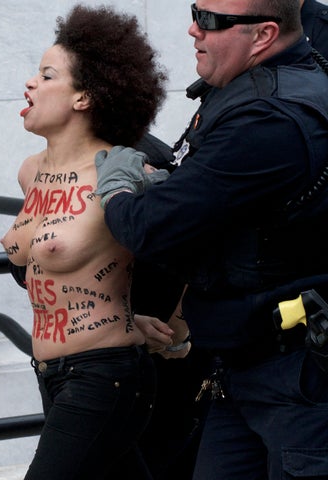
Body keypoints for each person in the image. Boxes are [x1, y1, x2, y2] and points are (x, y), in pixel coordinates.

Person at [95, 0, 328, 478]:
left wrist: (116, 188)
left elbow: (148, 228)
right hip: (243, 368)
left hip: (296, 383)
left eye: (210, 21)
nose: (193, 29)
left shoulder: (269, 119)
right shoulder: (260, 85)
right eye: (195, 11)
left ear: (263, 35)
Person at [0, 5, 167, 479]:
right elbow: (39, 266)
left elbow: (193, 238)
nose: (30, 83)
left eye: (47, 75)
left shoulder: (125, 173)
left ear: (84, 98)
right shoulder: (31, 171)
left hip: (106, 376)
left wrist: (172, 325)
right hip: (49, 373)